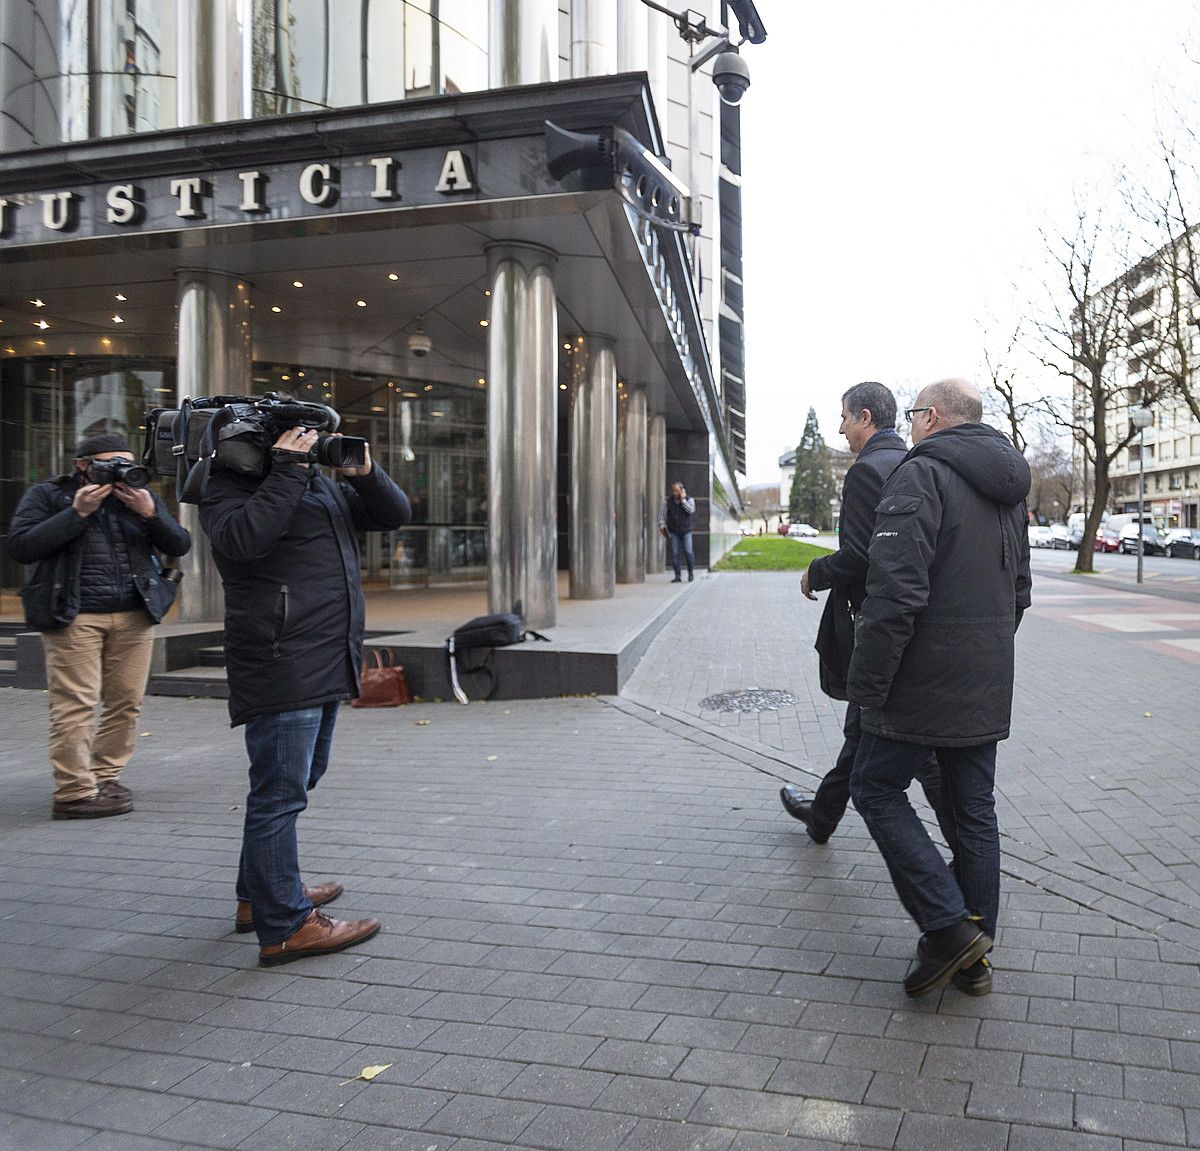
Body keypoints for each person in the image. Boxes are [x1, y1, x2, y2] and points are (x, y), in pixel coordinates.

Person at [201, 423, 411, 966]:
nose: (310, 445)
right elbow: (242, 540)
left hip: (321, 653)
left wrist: (366, 474)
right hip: (280, 655)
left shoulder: (317, 484)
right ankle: (288, 925)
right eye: (299, 438)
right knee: (279, 793)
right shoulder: (225, 483)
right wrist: (288, 473)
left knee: (297, 780)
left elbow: (393, 515)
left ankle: (261, 898)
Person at [847, 379, 1031, 998]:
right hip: (986, 680)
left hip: (920, 684)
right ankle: (975, 960)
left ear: (934, 418)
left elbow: (894, 592)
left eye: (919, 412)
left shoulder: (920, 474)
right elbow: (1020, 593)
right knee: (972, 811)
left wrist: (869, 684)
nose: (915, 423)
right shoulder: (1009, 489)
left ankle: (949, 929)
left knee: (873, 785)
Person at [780, 382, 951, 850]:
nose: (840, 427)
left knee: (905, 748)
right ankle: (822, 816)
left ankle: (966, 841)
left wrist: (815, 572)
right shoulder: (916, 464)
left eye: (845, 417)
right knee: (863, 731)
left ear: (867, 418)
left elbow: (859, 556)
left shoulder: (866, 471)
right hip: (918, 621)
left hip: (877, 626)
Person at [6, 433, 191, 820]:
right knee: (75, 705)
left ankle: (104, 777)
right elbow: (21, 547)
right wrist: (76, 513)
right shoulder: (49, 495)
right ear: (83, 465)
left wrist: (151, 514)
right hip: (74, 615)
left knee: (126, 702)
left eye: (126, 461)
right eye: (111, 462)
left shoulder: (139, 495)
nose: (121, 469)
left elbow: (180, 544)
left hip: (134, 613)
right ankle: (73, 792)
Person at [659, 481, 695, 582]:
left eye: (677, 491)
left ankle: (690, 573)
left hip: (686, 530)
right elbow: (663, 515)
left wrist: (683, 500)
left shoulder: (690, 500)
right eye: (674, 491)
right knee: (675, 554)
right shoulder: (668, 502)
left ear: (682, 491)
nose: (675, 493)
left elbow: (691, 510)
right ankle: (677, 576)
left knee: (688, 552)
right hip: (674, 531)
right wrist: (662, 525)